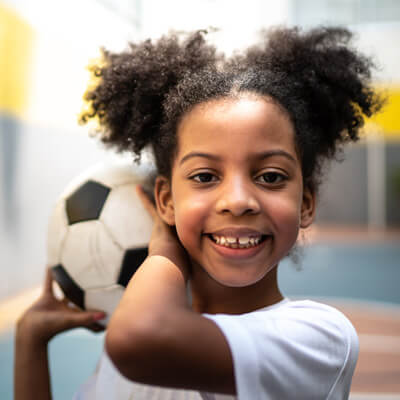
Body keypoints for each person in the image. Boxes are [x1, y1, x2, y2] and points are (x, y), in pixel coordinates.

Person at [15, 26, 384, 399]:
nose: (238, 200)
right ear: (166, 201)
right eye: (205, 176)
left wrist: (164, 251)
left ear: (305, 202)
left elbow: (140, 340)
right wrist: (29, 346)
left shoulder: (319, 338)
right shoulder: (139, 330)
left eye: (270, 176)